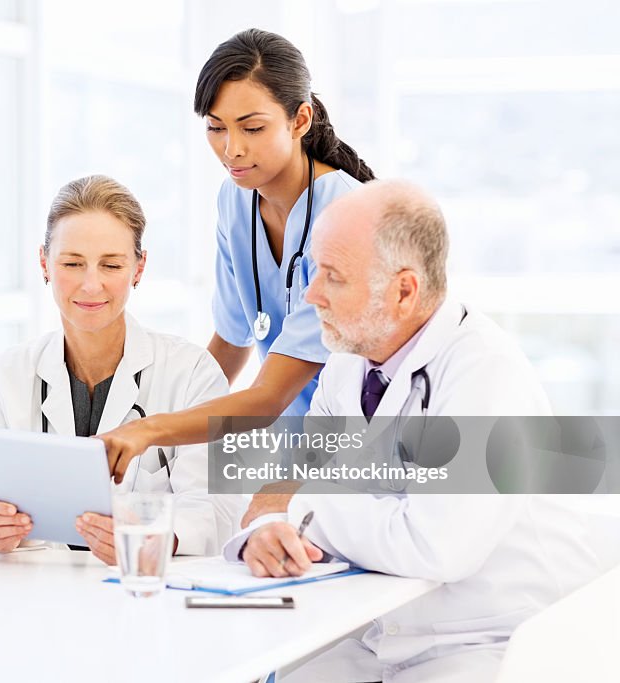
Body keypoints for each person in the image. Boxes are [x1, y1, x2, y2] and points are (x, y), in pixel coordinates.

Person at [222, 180, 599, 682]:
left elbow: (437, 547)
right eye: (315, 269)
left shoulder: (484, 372)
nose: (311, 294)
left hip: (494, 637)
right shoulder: (347, 363)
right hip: (384, 631)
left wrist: (301, 510)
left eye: (333, 276)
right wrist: (262, 534)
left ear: (404, 291)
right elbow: (275, 499)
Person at [98, 28, 376, 481]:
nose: (232, 149)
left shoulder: (347, 213)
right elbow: (231, 342)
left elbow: (269, 396)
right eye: (215, 127)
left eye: (252, 127)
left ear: (300, 120)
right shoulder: (235, 199)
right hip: (294, 450)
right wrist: (155, 449)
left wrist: (152, 431)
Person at [0, 175, 240, 563]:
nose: (91, 286)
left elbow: (216, 513)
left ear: (139, 268)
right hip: (36, 595)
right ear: (44, 264)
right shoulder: (9, 374)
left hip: (146, 597)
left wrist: (155, 536)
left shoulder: (193, 373)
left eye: (111, 265)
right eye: (72, 263)